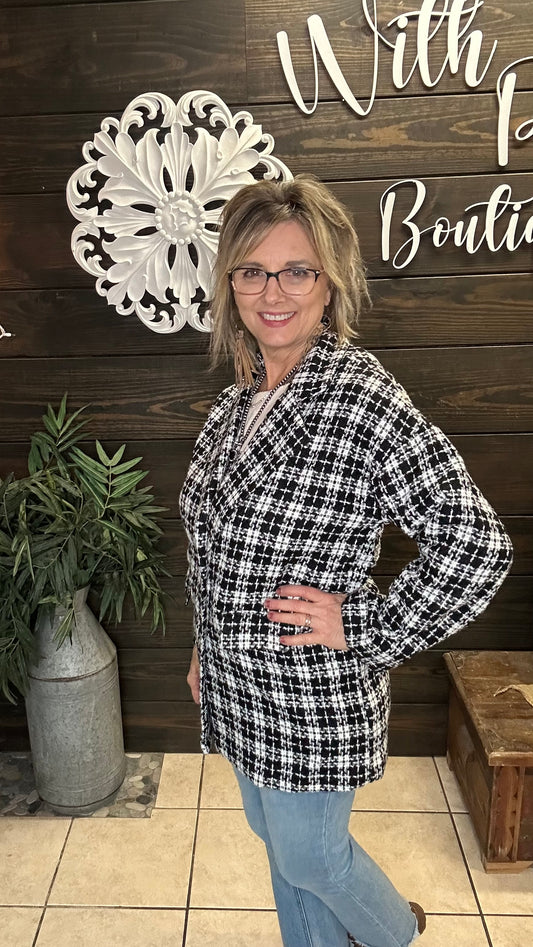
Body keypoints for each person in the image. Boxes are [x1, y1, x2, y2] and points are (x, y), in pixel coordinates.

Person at [179, 174, 513, 947]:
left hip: (308, 692)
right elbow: (218, 544)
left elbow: (476, 545)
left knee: (313, 856)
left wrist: (362, 621)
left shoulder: (361, 398)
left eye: (297, 270)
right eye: (252, 270)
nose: (274, 291)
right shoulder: (241, 397)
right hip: (240, 680)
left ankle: (392, 931)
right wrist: (206, 644)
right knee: (279, 841)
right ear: (231, 284)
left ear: (329, 286)